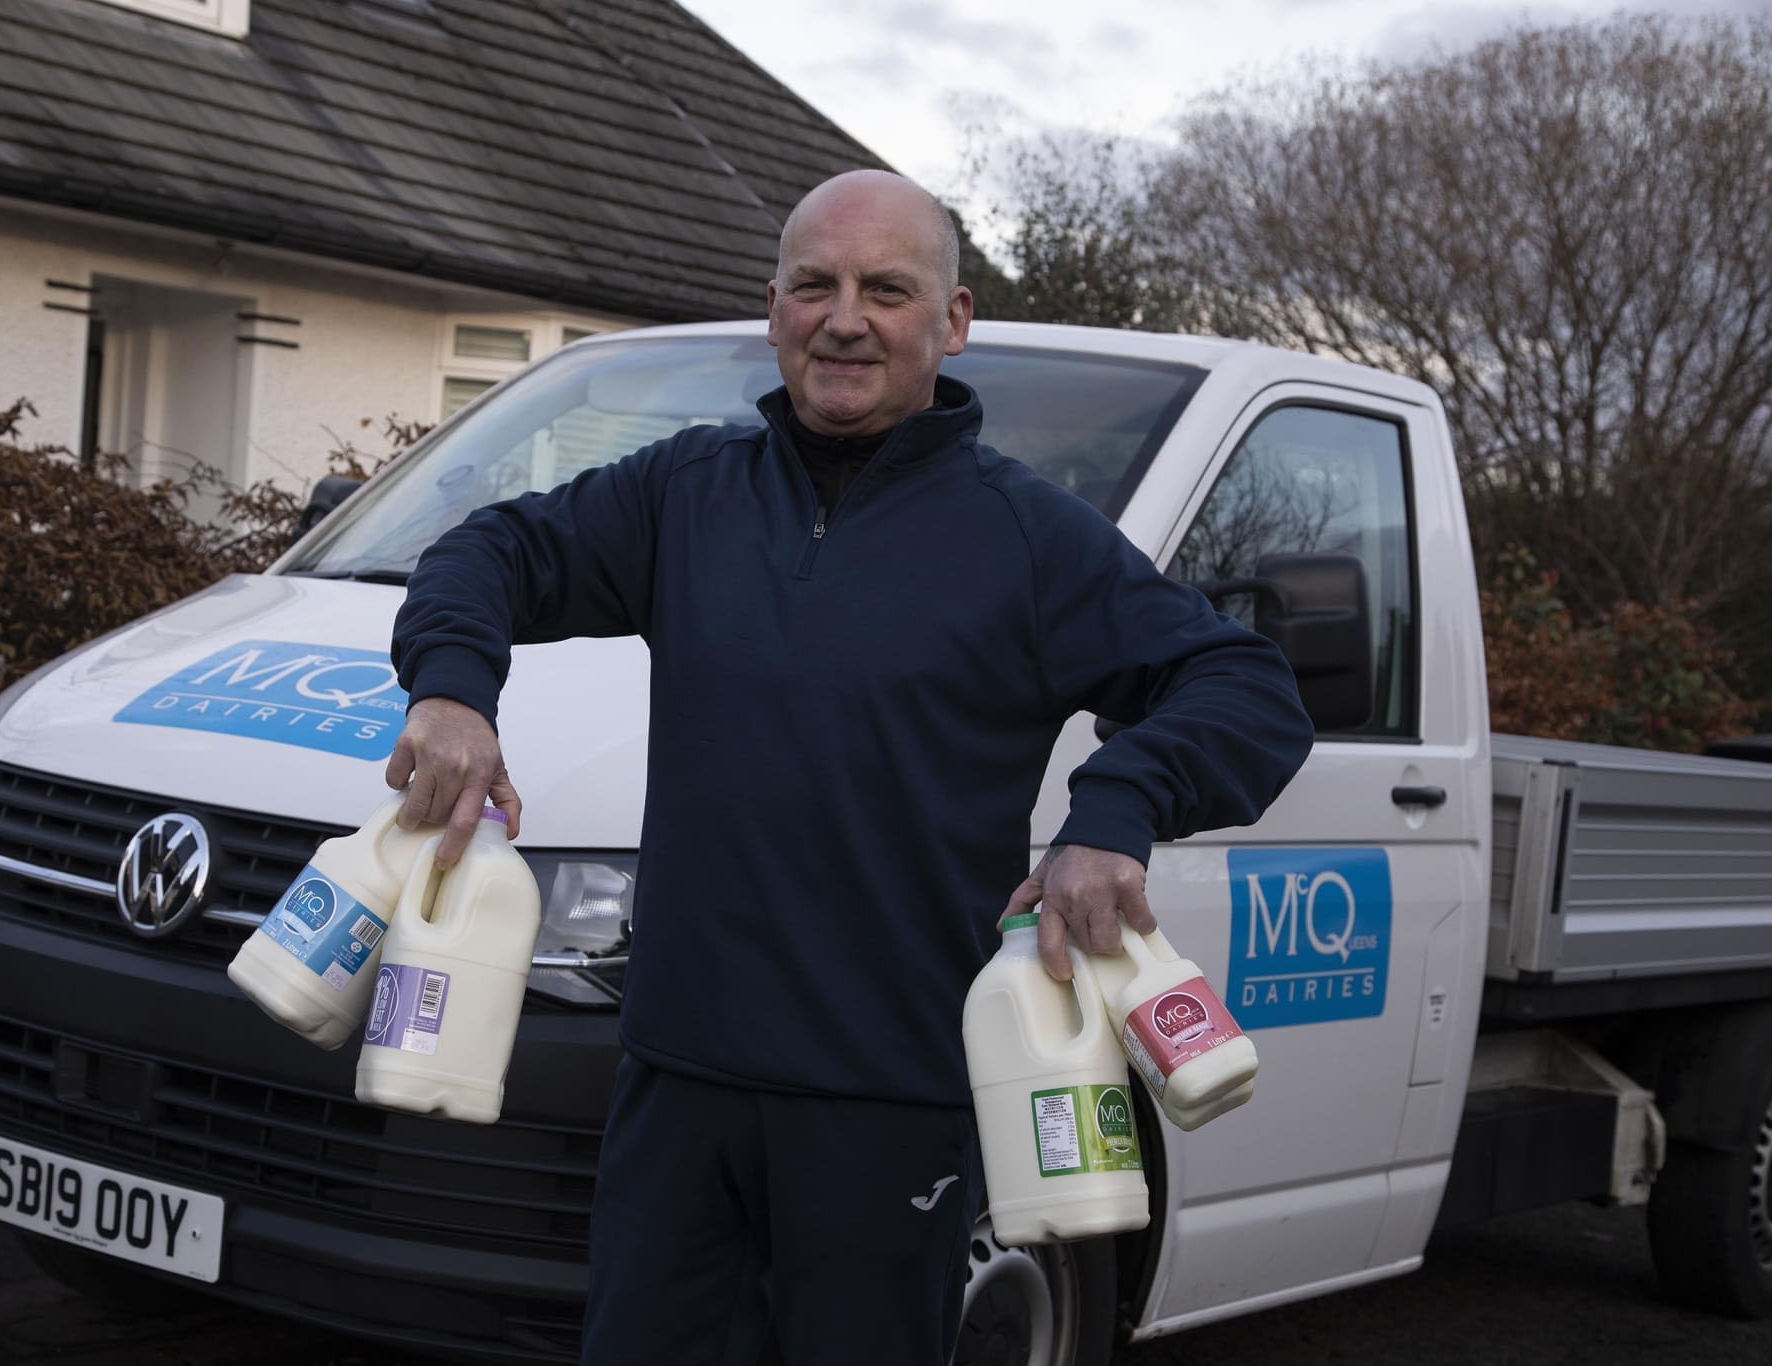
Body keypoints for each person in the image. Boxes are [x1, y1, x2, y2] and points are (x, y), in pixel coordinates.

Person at [386, 169, 1315, 1365]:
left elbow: (1246, 687)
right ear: (771, 308)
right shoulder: (684, 493)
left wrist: (1114, 809)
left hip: (889, 1105)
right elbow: (490, 548)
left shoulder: (1027, 539)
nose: (844, 318)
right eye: (813, 285)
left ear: (952, 321)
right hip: (676, 1085)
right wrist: (454, 688)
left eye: (886, 289)